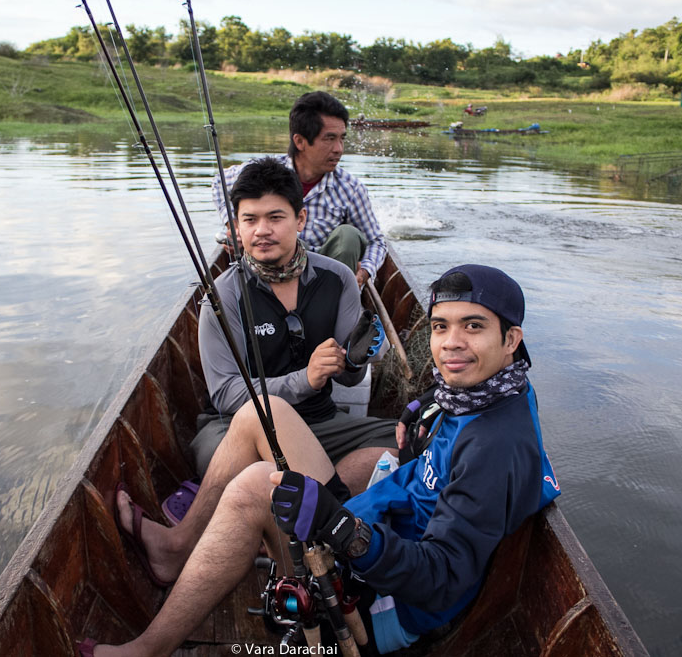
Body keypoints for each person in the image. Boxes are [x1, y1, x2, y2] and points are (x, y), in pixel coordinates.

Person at [84, 263, 560, 657]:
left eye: (473, 327)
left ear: (511, 338)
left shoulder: (494, 447)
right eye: (441, 326)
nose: (451, 343)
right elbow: (438, 464)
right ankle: (179, 547)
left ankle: (146, 649)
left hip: (385, 605)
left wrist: (341, 530)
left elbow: (440, 582)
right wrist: (426, 416)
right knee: (262, 413)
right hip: (392, 529)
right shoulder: (491, 392)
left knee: (255, 487)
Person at [194, 156, 395, 492]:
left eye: (275, 217)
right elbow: (226, 393)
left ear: (300, 219)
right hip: (242, 431)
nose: (262, 230)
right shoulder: (223, 294)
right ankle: (327, 500)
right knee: (232, 465)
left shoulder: (338, 278)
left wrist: (357, 359)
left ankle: (311, 502)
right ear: (236, 228)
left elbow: (349, 378)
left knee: (405, 439)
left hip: (321, 422)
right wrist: (305, 379)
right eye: (250, 220)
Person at [213, 91, 386, 289]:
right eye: (329, 139)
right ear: (300, 141)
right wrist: (233, 225)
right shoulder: (266, 173)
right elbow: (220, 181)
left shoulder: (350, 189)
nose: (339, 148)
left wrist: (363, 274)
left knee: (348, 235)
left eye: (341, 139)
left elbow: (376, 242)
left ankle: (334, 308)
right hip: (269, 278)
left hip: (323, 284)